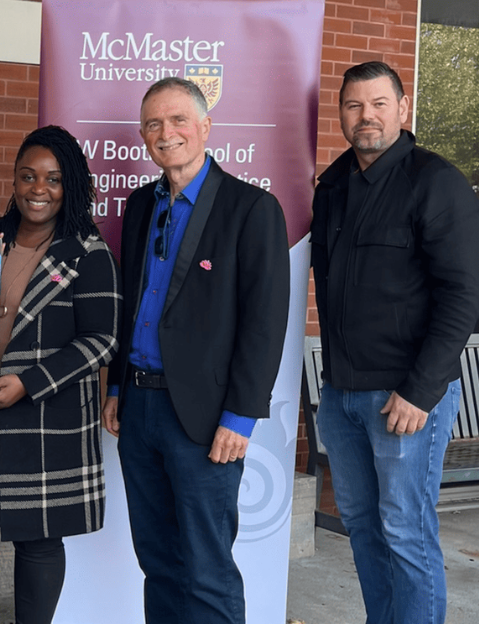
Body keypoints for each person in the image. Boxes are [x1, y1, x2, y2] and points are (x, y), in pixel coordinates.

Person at [102, 77, 289, 624]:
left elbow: (265, 323)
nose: (167, 133)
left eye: (179, 119)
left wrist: (241, 417)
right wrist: (115, 386)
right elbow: (127, 300)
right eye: (154, 124)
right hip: (139, 411)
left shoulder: (251, 208)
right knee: (158, 563)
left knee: (207, 569)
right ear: (142, 136)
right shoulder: (141, 205)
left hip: (207, 420)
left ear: (206, 127)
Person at [0, 125, 120, 624]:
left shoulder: (88, 253)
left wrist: (29, 383)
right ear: (13, 181)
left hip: (44, 415)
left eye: (54, 179)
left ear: (71, 185)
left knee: (37, 541)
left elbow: (101, 340)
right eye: (28, 176)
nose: (39, 189)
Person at [311, 61, 479, 624]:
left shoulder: (437, 182)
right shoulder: (332, 186)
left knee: (406, 530)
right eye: (354, 105)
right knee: (362, 526)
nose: (367, 116)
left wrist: (420, 390)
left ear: (403, 109)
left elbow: (463, 296)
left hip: (406, 399)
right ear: (341, 114)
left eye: (379, 104)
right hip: (341, 397)